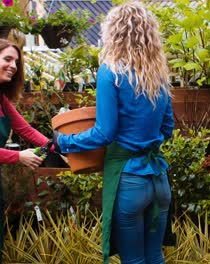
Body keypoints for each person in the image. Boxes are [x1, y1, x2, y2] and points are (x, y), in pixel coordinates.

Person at [53, 2, 174, 263]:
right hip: (159, 180)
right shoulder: (159, 77)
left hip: (129, 179)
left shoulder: (111, 72)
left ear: (114, 33)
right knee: (155, 256)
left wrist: (65, 141)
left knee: (133, 261)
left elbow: (104, 133)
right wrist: (145, 142)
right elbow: (167, 129)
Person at [0, 39, 49, 263]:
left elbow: (27, 130)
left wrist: (59, 147)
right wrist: (18, 157)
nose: (13, 65)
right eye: (7, 59)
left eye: (16, 61)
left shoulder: (1, 100)